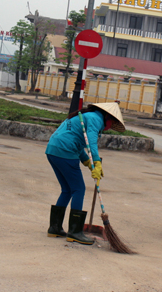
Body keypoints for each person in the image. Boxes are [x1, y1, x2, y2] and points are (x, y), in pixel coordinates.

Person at [45, 102, 125, 245]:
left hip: (53, 149)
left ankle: (55, 228)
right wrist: (96, 162)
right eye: (112, 122)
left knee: (67, 190)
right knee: (78, 189)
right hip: (65, 151)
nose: (110, 126)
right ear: (107, 116)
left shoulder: (86, 116)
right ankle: (75, 232)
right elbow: (92, 143)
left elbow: (79, 142)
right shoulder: (96, 119)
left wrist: (87, 162)